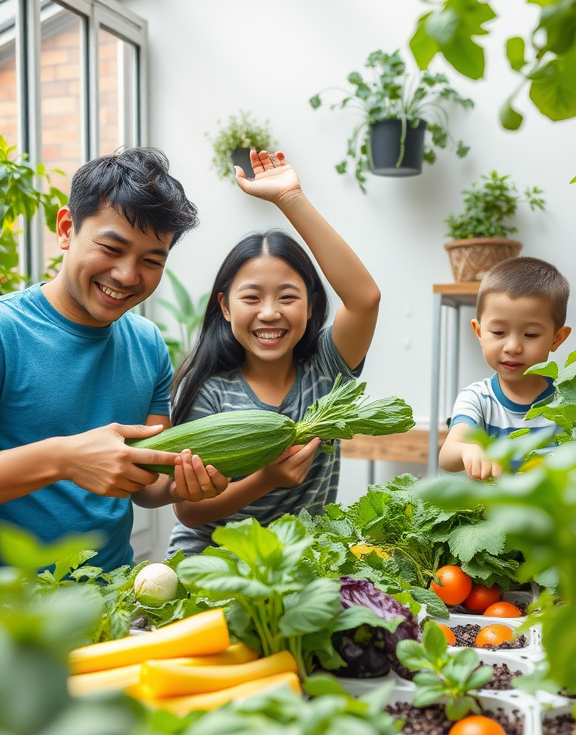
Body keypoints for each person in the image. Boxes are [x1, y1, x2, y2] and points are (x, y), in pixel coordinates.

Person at [0, 148, 228, 570]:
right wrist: (64, 458)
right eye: (111, 248)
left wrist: (186, 484)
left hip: (114, 597)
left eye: (150, 261)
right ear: (67, 228)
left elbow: (147, 485)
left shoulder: (147, 343)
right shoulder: (5, 329)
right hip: (16, 615)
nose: (127, 275)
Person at [167, 148, 381, 555]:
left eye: (287, 296)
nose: (269, 313)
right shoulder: (209, 391)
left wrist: (290, 198)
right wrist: (267, 478)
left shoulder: (326, 367)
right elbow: (188, 511)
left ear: (311, 306)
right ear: (225, 307)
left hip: (305, 558)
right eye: (251, 298)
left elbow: (366, 298)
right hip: (212, 558)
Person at [439, 256, 571, 480]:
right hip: (497, 513)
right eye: (499, 332)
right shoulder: (477, 399)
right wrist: (469, 449)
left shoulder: (568, 399)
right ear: (479, 332)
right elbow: (447, 456)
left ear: (557, 339)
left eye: (530, 335)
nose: (513, 347)